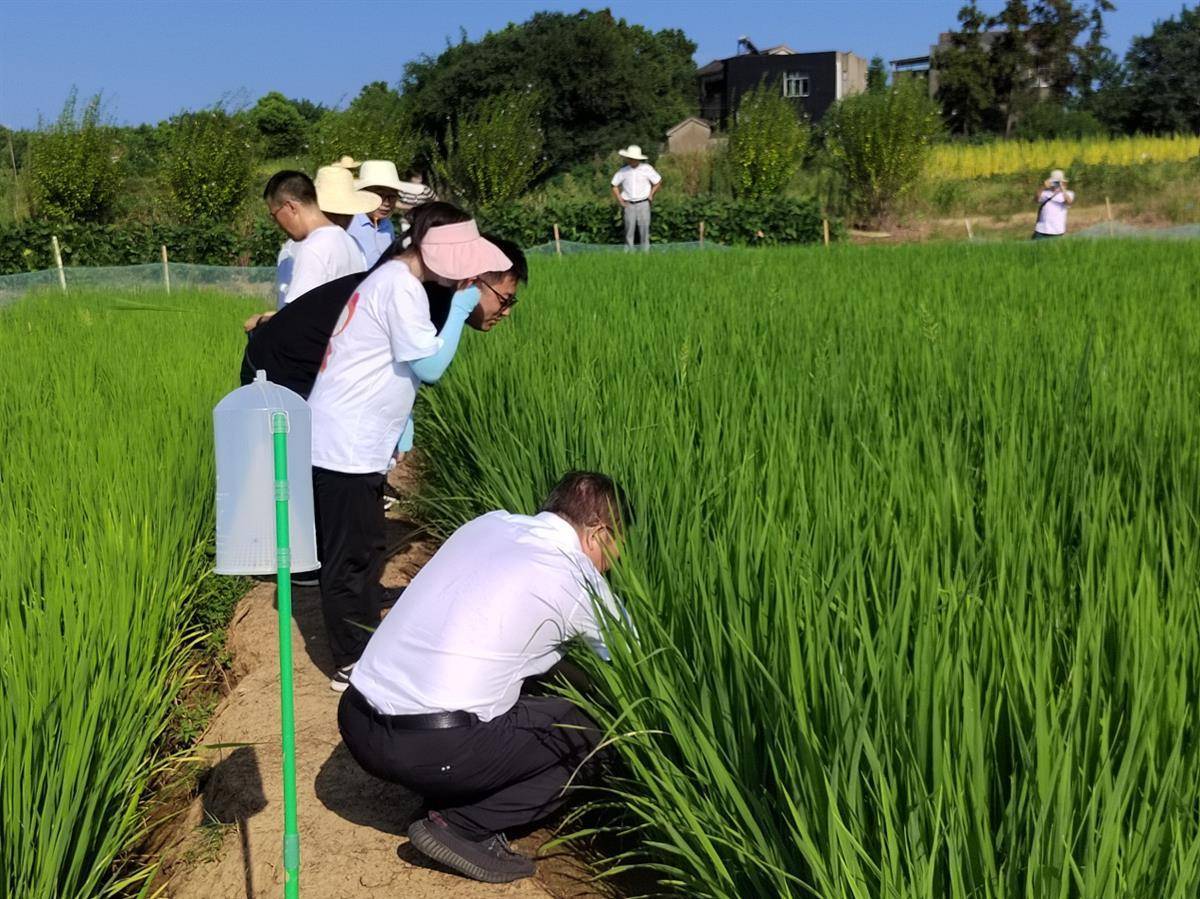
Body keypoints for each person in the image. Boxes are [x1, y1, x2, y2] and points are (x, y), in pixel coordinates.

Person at [338, 471, 629, 884]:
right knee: (596, 731)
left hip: (356, 720)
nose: (613, 565)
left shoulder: (488, 523)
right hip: (429, 747)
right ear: (598, 532)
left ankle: (448, 784)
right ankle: (463, 825)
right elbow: (638, 662)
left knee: (525, 679)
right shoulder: (577, 575)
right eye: (616, 549)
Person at [306, 205, 513, 690]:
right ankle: (349, 660)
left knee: (366, 545)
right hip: (343, 444)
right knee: (348, 557)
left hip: (355, 439)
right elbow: (431, 368)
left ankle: (361, 638)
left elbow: (383, 362)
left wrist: (402, 423)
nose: (467, 276)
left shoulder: (397, 280)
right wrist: (461, 311)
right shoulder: (399, 285)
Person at [265, 169, 376, 309]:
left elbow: (298, 318)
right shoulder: (352, 244)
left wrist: (261, 323)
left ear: (290, 207)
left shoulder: (313, 248)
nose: (277, 224)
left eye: (274, 215)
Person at [349, 160, 404, 267]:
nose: (387, 203)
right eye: (379, 195)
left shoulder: (388, 226)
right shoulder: (349, 224)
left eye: (392, 196)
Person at [610, 145, 662, 251]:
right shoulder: (623, 171)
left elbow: (658, 182)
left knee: (644, 229)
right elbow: (614, 185)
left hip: (643, 203)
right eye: (630, 158)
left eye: (634, 158)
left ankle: (645, 252)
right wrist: (620, 199)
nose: (632, 160)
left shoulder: (647, 169)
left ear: (638, 159)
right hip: (629, 204)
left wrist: (651, 194)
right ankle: (629, 252)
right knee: (629, 230)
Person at [1032, 169, 1075, 240]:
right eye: (1054, 182)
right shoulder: (1045, 193)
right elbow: (1036, 200)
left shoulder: (1069, 193)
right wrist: (1043, 186)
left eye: (1058, 182)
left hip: (1057, 231)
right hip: (1041, 230)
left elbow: (1068, 202)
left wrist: (1063, 188)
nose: (1056, 184)